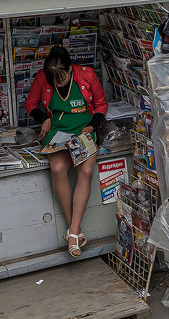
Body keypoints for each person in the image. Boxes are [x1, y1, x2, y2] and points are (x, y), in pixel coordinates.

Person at [23, 44, 107, 257]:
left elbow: (101, 105)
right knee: (58, 169)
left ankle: (72, 234)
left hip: (84, 129)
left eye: (62, 78)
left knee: (86, 171)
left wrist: (92, 127)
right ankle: (75, 231)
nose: (58, 82)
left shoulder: (86, 76)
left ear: (71, 69)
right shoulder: (44, 77)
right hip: (58, 131)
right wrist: (44, 120)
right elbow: (30, 104)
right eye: (54, 79)